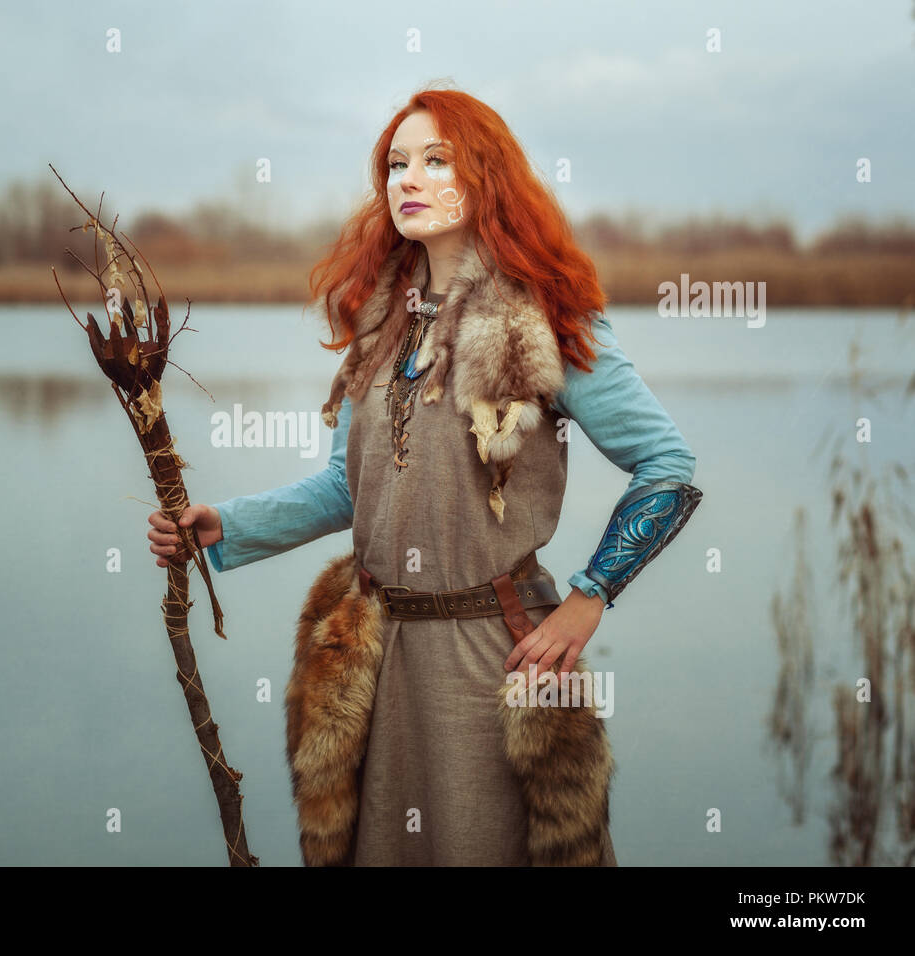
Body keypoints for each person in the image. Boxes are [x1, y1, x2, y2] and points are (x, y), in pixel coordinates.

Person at [147, 87, 701, 866]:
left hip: (493, 659)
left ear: (487, 178)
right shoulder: (381, 323)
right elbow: (349, 488)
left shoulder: (545, 317)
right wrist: (227, 526)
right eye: (396, 164)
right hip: (375, 658)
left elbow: (668, 470)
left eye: (436, 160)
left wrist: (587, 600)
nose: (408, 178)